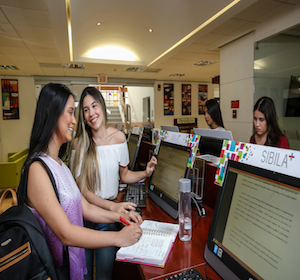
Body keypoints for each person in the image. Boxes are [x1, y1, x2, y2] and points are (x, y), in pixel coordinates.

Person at [24, 83, 143, 280]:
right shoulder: (38, 168)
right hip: (55, 269)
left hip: (71, 262)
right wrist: (117, 237)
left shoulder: (59, 164)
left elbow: (84, 207)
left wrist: (120, 215)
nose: (75, 120)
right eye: (71, 112)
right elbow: (66, 233)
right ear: (51, 113)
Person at [71, 86, 157, 280]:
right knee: (82, 275)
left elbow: (124, 175)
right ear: (83, 116)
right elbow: (82, 189)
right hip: (84, 217)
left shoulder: (119, 138)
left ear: (102, 106)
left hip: (107, 219)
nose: (92, 113)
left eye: (94, 106)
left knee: (104, 276)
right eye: (86, 109)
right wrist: (114, 207)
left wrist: (146, 172)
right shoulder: (79, 143)